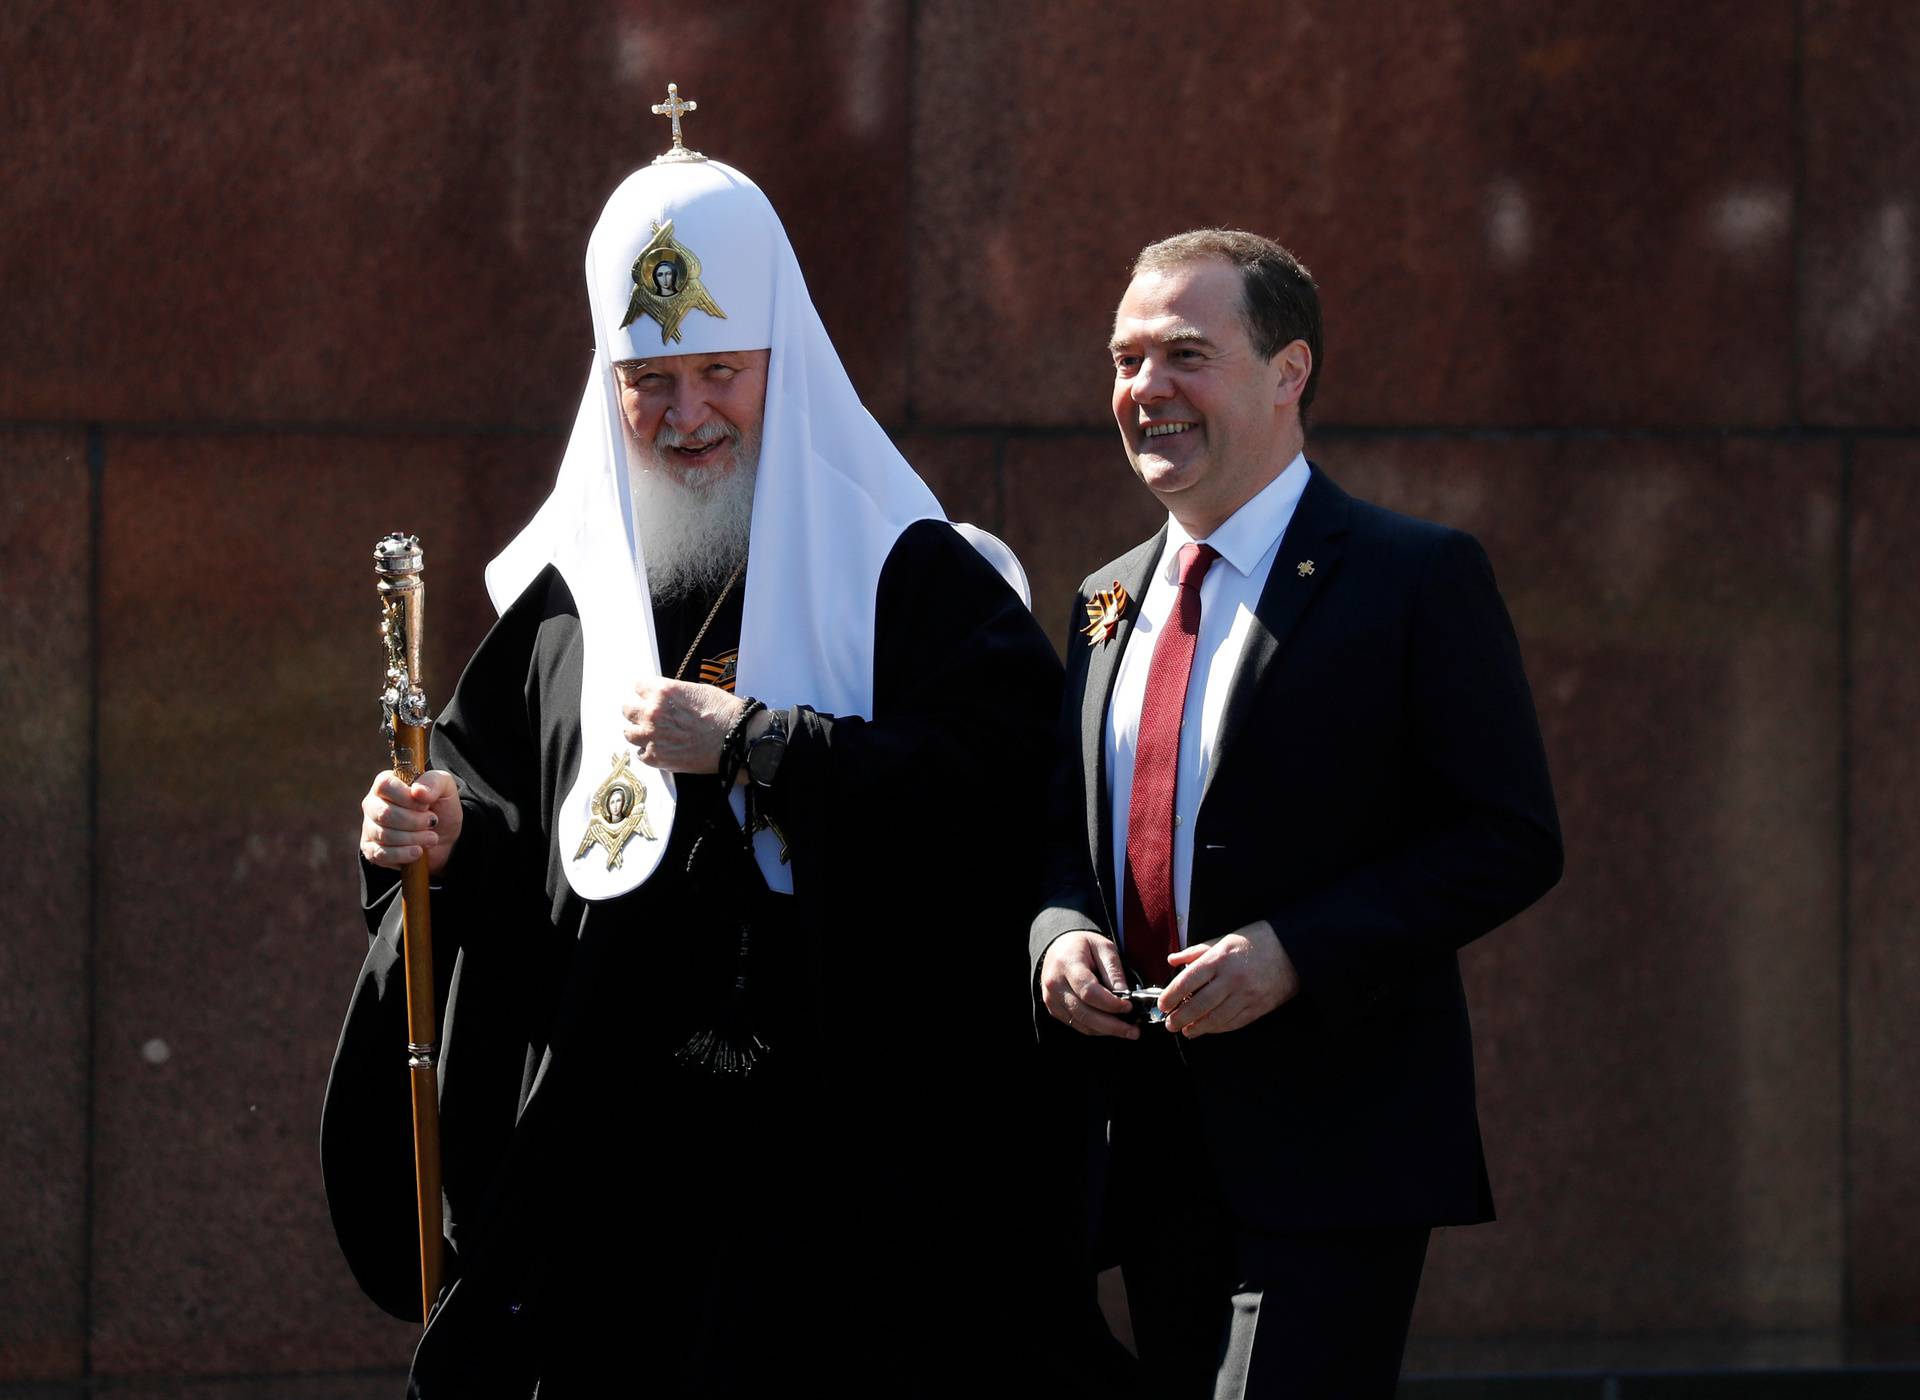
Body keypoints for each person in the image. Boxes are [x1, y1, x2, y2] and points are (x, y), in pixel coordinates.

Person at [322, 134, 1065, 1397]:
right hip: (617, 1164)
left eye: (721, 370)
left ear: (781, 362)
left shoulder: (910, 571)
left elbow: (1009, 794)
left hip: (841, 1161)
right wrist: (442, 830)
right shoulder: (565, 600)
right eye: (649, 380)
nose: (688, 415)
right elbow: (514, 820)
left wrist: (764, 744)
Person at [1030, 229, 1563, 1397]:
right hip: (1150, 1151)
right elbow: (1064, 844)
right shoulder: (1103, 598)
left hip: (1335, 1148)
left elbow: (1510, 836)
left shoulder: (1412, 576)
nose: (1145, 391)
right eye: (1125, 360)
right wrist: (1057, 936)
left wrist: (1295, 953)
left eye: (1185, 354)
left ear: (1289, 373)